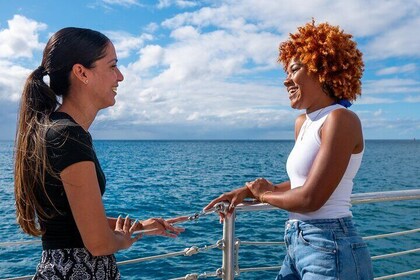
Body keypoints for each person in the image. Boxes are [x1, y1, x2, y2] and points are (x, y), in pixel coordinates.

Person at [205, 20, 374, 279]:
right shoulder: (303, 123)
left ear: (321, 70)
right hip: (297, 245)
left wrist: (263, 195)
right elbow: (302, 183)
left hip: (331, 247)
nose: (286, 82)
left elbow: (310, 199)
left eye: (294, 69)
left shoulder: (341, 119)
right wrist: (250, 190)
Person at [14, 27, 185, 279]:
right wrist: (125, 240)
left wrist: (140, 228)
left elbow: (71, 219)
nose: (120, 77)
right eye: (112, 66)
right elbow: (98, 243)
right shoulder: (68, 135)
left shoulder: (51, 130)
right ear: (81, 73)